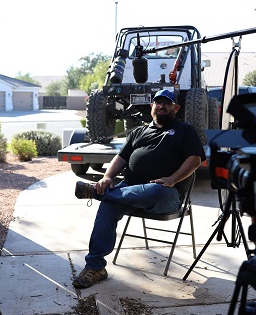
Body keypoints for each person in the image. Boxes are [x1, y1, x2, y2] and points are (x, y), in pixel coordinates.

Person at [72, 89, 205, 289]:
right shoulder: (138, 132)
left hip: (165, 193)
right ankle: (96, 267)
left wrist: (172, 179)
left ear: (175, 108)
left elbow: (195, 160)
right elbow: (120, 158)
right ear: (152, 106)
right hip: (129, 190)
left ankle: (97, 193)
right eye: (158, 102)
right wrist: (107, 177)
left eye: (167, 103)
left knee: (152, 190)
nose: (162, 106)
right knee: (108, 204)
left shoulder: (185, 130)